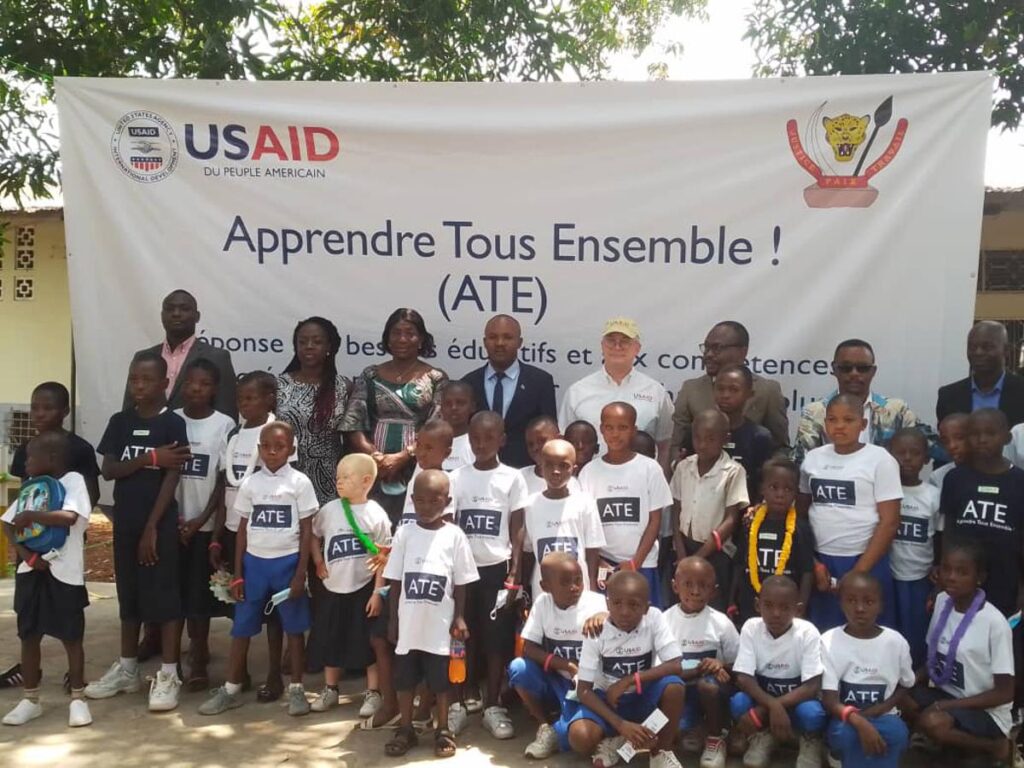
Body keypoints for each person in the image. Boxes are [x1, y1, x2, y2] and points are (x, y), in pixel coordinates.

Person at [86, 352, 190, 712]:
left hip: (158, 524)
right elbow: (110, 470)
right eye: (134, 379)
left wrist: (152, 527)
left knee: (165, 598)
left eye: (147, 379)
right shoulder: (120, 421)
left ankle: (169, 674)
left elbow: (172, 477)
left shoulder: (173, 424)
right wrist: (149, 458)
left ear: (165, 384)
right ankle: (128, 669)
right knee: (128, 597)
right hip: (126, 521)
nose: (139, 386)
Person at [199, 421, 317, 717]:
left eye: (280, 447)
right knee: (242, 628)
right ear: (259, 449)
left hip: (287, 563)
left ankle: (297, 689)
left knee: (294, 629)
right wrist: (239, 573)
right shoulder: (250, 483)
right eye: (266, 446)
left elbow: (307, 531)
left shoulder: (300, 483)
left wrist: (301, 573)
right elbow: (242, 530)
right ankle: (231, 689)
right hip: (254, 565)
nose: (272, 452)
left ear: (291, 449)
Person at [382, 470, 479, 759]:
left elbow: (461, 582)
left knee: (441, 682)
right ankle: (406, 728)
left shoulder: (454, 536)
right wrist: (393, 619)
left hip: (440, 625)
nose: (426, 506)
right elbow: (395, 580)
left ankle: (443, 729)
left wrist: (459, 616)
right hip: (409, 625)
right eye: (420, 500)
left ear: (447, 502)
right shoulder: (405, 533)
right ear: (412, 500)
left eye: (434, 500)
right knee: (405, 680)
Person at [209, 370, 292, 703]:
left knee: (273, 610)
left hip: (268, 537)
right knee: (238, 602)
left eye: (251, 397)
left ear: (270, 399)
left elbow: (288, 486)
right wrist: (217, 535)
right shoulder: (234, 435)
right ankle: (238, 672)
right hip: (235, 531)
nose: (244, 404)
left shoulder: (277, 434)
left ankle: (274, 674)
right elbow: (224, 488)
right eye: (240, 398)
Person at [1, 433, 93, 727]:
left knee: (71, 636)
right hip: (32, 571)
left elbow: (70, 517)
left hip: (65, 573)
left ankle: (77, 698)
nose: (26, 463)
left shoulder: (73, 481)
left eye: (31, 457)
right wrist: (27, 556)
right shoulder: (31, 487)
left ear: (52, 458)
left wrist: (33, 515)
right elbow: (8, 524)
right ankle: (30, 699)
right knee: (29, 635)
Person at [449, 411, 528, 737]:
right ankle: (456, 704)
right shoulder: (456, 477)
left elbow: (517, 527)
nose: (481, 444)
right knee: (461, 637)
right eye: (475, 439)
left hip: (497, 569)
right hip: (462, 573)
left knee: (496, 641)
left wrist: (515, 571)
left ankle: (493, 705)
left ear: (502, 440)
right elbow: (449, 525)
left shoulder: (512, 478)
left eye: (488, 438)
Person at [798, 394, 902, 631]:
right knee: (823, 636)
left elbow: (890, 522)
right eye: (832, 419)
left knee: (868, 636)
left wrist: (857, 573)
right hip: (822, 565)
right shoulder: (812, 459)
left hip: (866, 560)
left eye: (848, 420)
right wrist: (813, 564)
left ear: (863, 424)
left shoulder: (880, 460)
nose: (839, 426)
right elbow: (799, 517)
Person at [906, 540, 1016, 765]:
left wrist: (946, 707)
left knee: (934, 722)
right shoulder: (941, 602)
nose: (951, 577)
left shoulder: (994, 623)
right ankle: (948, 743)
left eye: (962, 572)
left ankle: (996, 747)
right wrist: (907, 682)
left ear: (979, 578)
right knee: (901, 698)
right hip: (948, 694)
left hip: (985, 709)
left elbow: (1005, 693)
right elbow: (934, 660)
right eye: (946, 569)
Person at [567, 570, 686, 768]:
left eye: (634, 605)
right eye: (617, 603)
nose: (624, 612)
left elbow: (675, 665)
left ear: (646, 608)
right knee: (580, 738)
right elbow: (584, 690)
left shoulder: (654, 618)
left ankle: (660, 753)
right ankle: (618, 738)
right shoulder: (596, 629)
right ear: (607, 604)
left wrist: (630, 679)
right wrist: (620, 724)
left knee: (675, 687)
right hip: (608, 701)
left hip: (641, 696)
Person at [342, 308, 448, 521]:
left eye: (410, 333)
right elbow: (353, 423)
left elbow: (437, 427)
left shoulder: (436, 378)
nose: (402, 339)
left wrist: (403, 457)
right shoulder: (370, 375)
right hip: (374, 471)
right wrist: (377, 458)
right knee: (373, 527)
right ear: (387, 339)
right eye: (396, 333)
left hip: (418, 467)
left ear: (421, 339)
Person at [307, 454, 391, 714]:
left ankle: (373, 691)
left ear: (366, 481)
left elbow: (384, 556)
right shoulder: (330, 510)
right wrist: (318, 561)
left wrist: (377, 593)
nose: (339, 482)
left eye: (346, 477)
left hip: (363, 587)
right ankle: (330, 688)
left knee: (366, 641)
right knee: (331, 638)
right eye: (338, 477)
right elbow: (313, 535)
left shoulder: (376, 514)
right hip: (333, 587)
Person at [508, 552, 607, 759]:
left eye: (578, 580)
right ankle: (545, 726)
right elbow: (529, 648)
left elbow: (618, 621)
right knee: (519, 668)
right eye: (565, 583)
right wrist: (567, 665)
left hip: (589, 686)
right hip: (557, 680)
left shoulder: (596, 603)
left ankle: (566, 728)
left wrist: (605, 616)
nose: (574, 587)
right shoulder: (543, 604)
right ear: (546, 586)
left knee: (577, 740)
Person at [173, 359, 235, 691]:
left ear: (215, 389)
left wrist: (199, 521)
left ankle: (198, 656)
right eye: (191, 382)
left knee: (198, 596)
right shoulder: (171, 420)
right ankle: (172, 658)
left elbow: (223, 482)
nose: (196, 388)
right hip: (173, 525)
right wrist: (175, 520)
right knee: (175, 593)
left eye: (205, 383)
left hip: (204, 524)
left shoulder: (224, 425)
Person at [578, 402, 672, 607]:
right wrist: (598, 562)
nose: (615, 434)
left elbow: (655, 521)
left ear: (634, 430)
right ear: (601, 429)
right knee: (603, 621)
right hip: (603, 566)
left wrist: (634, 563)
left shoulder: (650, 469)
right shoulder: (589, 472)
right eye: (609, 427)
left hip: (642, 564)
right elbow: (586, 525)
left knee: (644, 620)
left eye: (622, 427)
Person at [730, 576, 826, 768]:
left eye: (784, 607)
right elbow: (744, 678)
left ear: (798, 610)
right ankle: (762, 736)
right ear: (757, 605)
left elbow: (812, 686)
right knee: (739, 702)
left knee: (813, 713)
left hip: (796, 703)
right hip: (763, 700)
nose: (776, 613)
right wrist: (772, 706)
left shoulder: (808, 632)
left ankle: (809, 740)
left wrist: (771, 707)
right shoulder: (751, 627)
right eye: (768, 605)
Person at [821, 573, 914, 768]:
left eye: (869, 602)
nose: (860, 609)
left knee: (898, 733)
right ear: (841, 604)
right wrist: (860, 722)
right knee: (846, 735)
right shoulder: (828, 641)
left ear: (881, 606)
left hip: (884, 716)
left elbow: (906, 684)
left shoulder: (895, 642)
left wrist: (882, 708)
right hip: (846, 719)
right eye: (851, 601)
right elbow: (830, 700)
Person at [938, 408, 1024, 620]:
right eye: (975, 434)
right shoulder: (955, 478)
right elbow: (948, 532)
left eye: (990, 433)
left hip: (1005, 578)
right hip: (960, 580)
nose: (982, 440)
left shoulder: (1019, 482)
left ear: (1007, 437)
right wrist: (943, 575)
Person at [794, 339, 934, 466]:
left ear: (873, 371)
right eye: (846, 368)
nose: (854, 373)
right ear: (834, 370)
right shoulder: (815, 412)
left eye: (862, 368)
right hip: (830, 483)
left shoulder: (896, 410)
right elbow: (802, 461)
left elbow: (932, 446)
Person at [559, 318, 675, 472]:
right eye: (611, 341)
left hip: (640, 479)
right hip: (589, 480)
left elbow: (665, 443)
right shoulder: (577, 391)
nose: (617, 346)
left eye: (625, 341)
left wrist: (661, 478)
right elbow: (564, 444)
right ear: (602, 346)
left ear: (637, 348)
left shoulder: (656, 392)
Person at [663, 557, 740, 768]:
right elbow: (661, 670)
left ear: (714, 591)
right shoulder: (665, 621)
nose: (696, 591)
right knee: (684, 738)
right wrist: (700, 669)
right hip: (681, 692)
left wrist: (721, 665)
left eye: (703, 586)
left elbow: (739, 666)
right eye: (688, 584)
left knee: (708, 685)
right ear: (675, 586)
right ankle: (695, 726)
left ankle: (716, 737)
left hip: (712, 690)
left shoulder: (721, 623)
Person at [671, 321, 789, 455]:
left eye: (717, 348)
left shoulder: (768, 390)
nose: (708, 354)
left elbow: (780, 447)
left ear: (743, 352)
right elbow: (676, 445)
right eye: (706, 348)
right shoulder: (690, 390)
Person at [671, 410, 749, 610]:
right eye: (697, 438)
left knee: (712, 606)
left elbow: (731, 519)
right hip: (684, 547)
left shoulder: (733, 471)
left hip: (715, 552)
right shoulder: (683, 467)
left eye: (711, 439)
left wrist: (698, 557)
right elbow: (675, 511)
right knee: (682, 605)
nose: (703, 444)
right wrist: (681, 553)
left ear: (726, 439)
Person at [122, 289, 236, 418]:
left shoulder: (217, 357)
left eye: (184, 309)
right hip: (146, 430)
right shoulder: (143, 358)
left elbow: (227, 414)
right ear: (162, 316)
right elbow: (128, 410)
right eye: (170, 309)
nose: (176, 314)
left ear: (197, 316)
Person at [462, 314, 557, 468]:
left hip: (525, 470)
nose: (500, 343)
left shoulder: (540, 382)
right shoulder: (468, 383)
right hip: (478, 471)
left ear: (520, 342)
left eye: (507, 337)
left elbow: (549, 433)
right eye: (493, 337)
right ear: (484, 342)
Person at [276, 316, 352, 505]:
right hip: (285, 477)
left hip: (330, 481)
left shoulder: (343, 387)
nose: (308, 346)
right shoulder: (279, 385)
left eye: (317, 342)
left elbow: (351, 441)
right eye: (302, 342)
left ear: (329, 347)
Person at [732, 458, 814, 624]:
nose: (780, 494)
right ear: (762, 489)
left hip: (786, 608)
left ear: (796, 493)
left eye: (788, 489)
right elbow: (740, 564)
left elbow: (807, 571)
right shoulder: (750, 524)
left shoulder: (801, 528)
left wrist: (801, 605)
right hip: (750, 603)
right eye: (774, 487)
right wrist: (732, 599)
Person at [522, 439, 606, 598]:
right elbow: (528, 551)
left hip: (579, 591)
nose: (556, 471)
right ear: (541, 466)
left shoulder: (584, 502)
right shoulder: (530, 504)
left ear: (574, 470)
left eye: (563, 466)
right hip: (543, 592)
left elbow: (592, 550)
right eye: (549, 465)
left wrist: (592, 588)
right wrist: (524, 588)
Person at [888, 428, 940, 667]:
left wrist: (938, 570)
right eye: (900, 453)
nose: (907, 458)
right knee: (888, 631)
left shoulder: (933, 495)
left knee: (916, 636)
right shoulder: (883, 491)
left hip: (919, 578)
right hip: (887, 576)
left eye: (915, 453)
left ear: (926, 459)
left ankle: (915, 679)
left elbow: (940, 537)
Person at [9, 381, 100, 507]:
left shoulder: (81, 448)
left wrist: (65, 514)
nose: (40, 414)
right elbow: (24, 490)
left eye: (48, 408)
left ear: (65, 411)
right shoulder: (24, 449)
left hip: (68, 516)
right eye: (34, 408)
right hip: (33, 516)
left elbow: (92, 494)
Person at [936, 320, 1024, 427]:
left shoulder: (1021, 391)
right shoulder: (948, 396)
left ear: (1006, 350)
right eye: (972, 347)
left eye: (987, 347)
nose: (978, 352)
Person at [713, 364, 777, 503]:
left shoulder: (759, 437)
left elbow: (762, 483)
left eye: (734, 390)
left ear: (749, 394)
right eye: (720, 389)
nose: (725, 395)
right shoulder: (697, 432)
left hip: (745, 511)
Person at [398, 419, 457, 529]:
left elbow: (447, 521)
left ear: (447, 453)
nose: (421, 453)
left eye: (429, 448)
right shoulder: (416, 477)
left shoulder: (447, 481)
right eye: (419, 445)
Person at [519, 415, 581, 496]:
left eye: (542, 441)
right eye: (530, 444)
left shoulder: (570, 483)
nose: (535, 448)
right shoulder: (520, 477)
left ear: (559, 439)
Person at [437, 380, 476, 472]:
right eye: (448, 403)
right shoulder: (431, 443)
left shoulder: (478, 445)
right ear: (441, 408)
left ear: (473, 407)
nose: (454, 408)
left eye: (460, 403)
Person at [929, 412, 970, 493]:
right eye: (945, 441)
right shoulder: (938, 476)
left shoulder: (991, 472)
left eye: (959, 438)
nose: (952, 446)